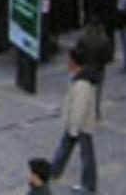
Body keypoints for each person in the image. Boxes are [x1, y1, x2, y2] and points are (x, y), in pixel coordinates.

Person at [50, 48, 98, 194]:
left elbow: (79, 107)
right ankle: (54, 171)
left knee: (86, 155)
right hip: (77, 124)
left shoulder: (82, 83)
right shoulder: (79, 77)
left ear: (74, 61)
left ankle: (88, 185)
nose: (67, 62)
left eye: (69, 59)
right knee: (65, 147)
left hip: (80, 126)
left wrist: (73, 127)